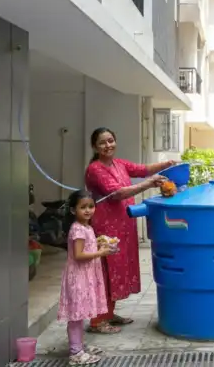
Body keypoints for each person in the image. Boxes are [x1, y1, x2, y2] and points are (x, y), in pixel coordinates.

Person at [84, 127, 174, 334]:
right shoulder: (96, 169)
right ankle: (97, 321)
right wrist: (149, 184)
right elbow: (117, 193)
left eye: (111, 140)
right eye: (102, 143)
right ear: (94, 147)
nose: (108, 145)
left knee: (117, 270)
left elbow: (142, 169)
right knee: (106, 271)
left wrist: (167, 164)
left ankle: (108, 314)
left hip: (123, 225)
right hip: (105, 228)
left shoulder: (119, 164)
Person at [57, 190, 113, 365]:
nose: (88, 210)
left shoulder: (87, 227)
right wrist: (100, 252)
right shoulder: (78, 229)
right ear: (73, 210)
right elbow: (79, 255)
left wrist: (99, 243)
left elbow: (86, 247)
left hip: (85, 275)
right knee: (76, 315)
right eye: (83, 207)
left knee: (80, 313)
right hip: (78, 277)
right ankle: (76, 353)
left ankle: (79, 346)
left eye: (91, 206)